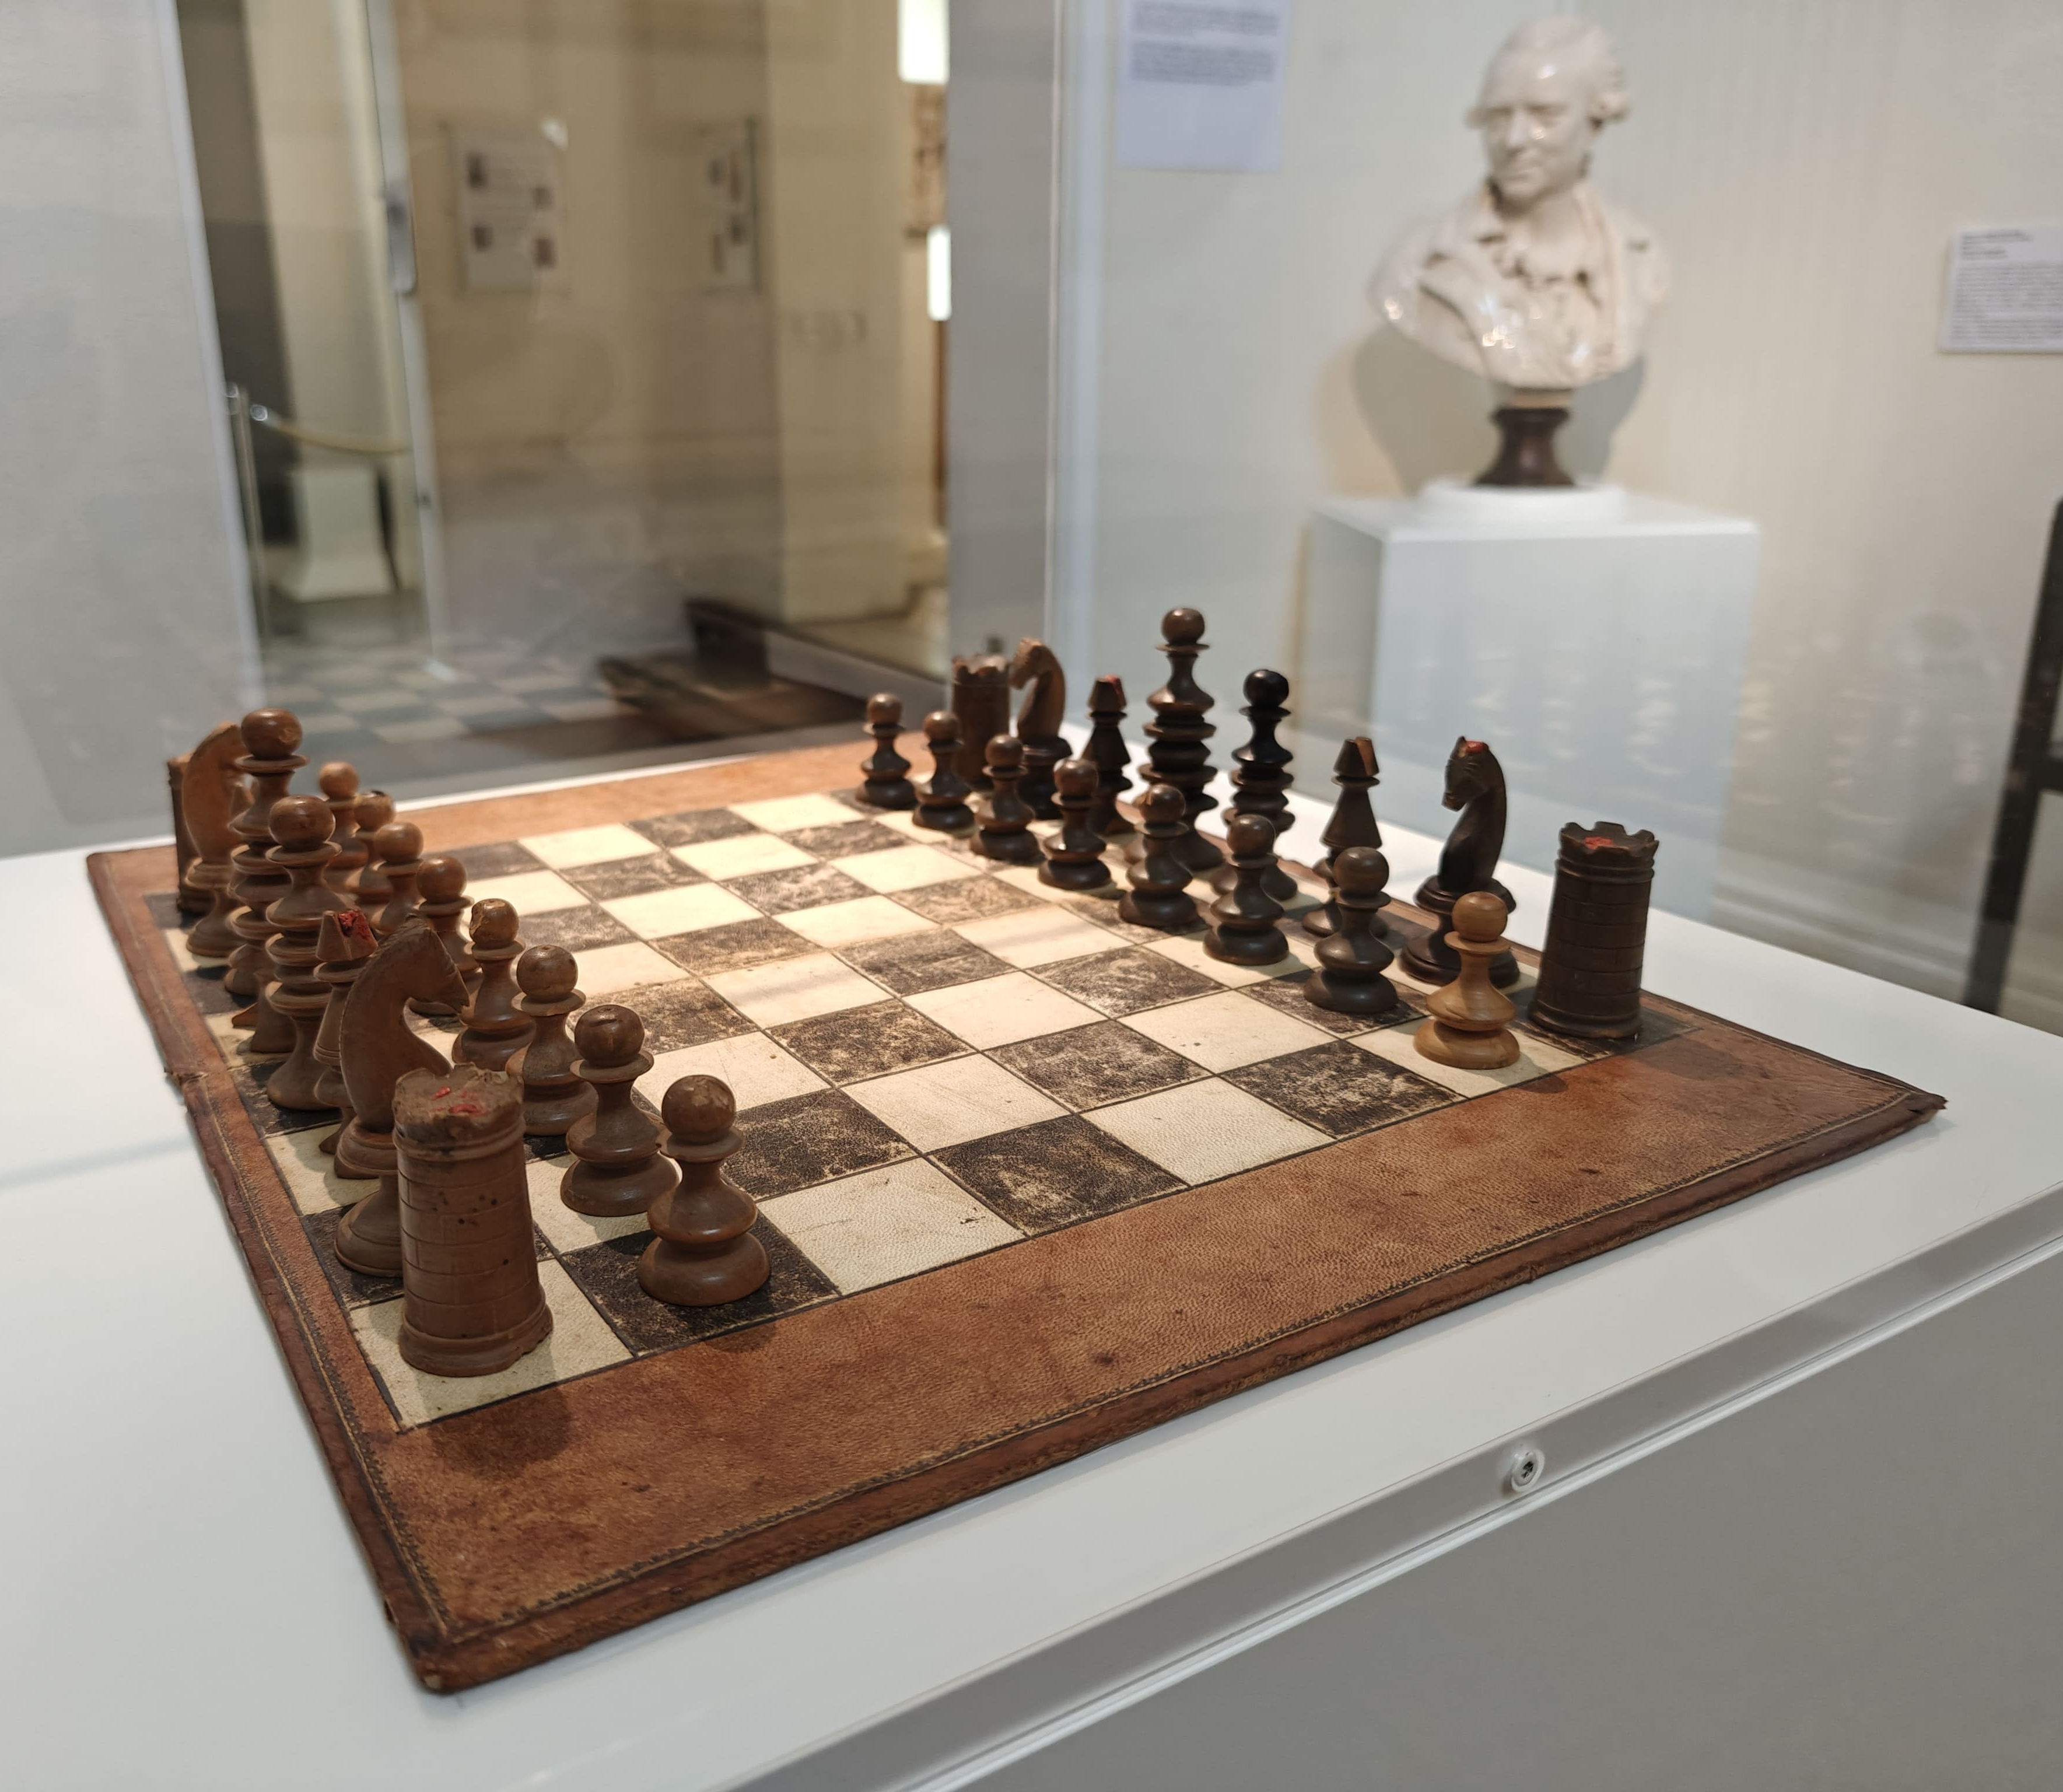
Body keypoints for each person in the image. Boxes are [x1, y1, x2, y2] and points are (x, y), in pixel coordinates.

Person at [1372, 16, 1669, 394]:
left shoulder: (1640, 259)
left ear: (1595, 122)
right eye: (1498, 117)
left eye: (1545, 116)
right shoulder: (1416, 266)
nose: (1514, 140)